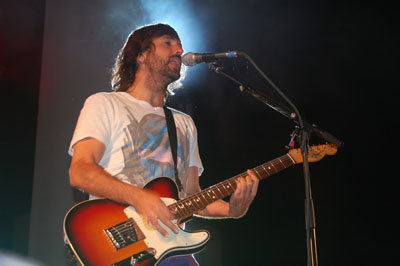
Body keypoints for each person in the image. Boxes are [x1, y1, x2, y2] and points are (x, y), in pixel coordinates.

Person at [68, 23, 259, 265]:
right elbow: (81, 171)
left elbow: (191, 196)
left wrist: (232, 211)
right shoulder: (104, 104)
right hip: (116, 242)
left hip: (169, 248)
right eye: (168, 42)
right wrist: (140, 197)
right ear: (140, 55)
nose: (179, 49)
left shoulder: (184, 123)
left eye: (180, 44)